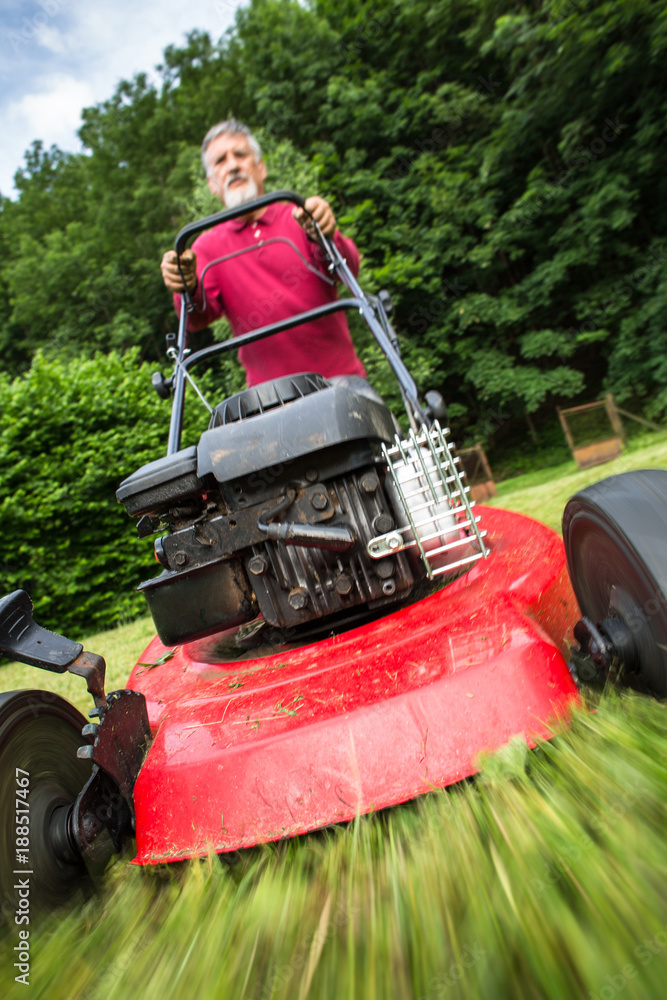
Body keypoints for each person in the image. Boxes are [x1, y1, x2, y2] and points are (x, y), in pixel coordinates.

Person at [160, 119, 369, 391]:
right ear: (212, 184)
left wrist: (326, 234)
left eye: (240, 155)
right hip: (270, 403)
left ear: (261, 168)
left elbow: (349, 268)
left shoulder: (300, 216)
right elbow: (196, 318)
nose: (233, 165)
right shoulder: (205, 248)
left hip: (343, 384)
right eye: (221, 161)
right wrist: (185, 285)